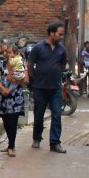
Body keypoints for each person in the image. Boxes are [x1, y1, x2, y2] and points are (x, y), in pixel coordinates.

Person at [27, 21, 68, 153]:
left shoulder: (62, 49)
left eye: (63, 34)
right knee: (38, 115)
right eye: (60, 34)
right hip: (40, 88)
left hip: (56, 88)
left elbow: (62, 67)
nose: (61, 37)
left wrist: (54, 74)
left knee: (57, 115)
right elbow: (30, 65)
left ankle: (55, 143)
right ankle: (37, 138)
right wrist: (34, 78)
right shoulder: (38, 47)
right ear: (51, 33)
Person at [0, 45, 27, 157]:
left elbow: (25, 80)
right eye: (5, 52)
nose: (7, 54)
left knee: (13, 122)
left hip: (15, 98)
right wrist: (2, 89)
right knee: (6, 122)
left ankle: (11, 146)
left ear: (15, 53)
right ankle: (9, 145)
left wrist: (13, 82)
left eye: (9, 52)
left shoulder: (21, 63)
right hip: (3, 97)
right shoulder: (1, 64)